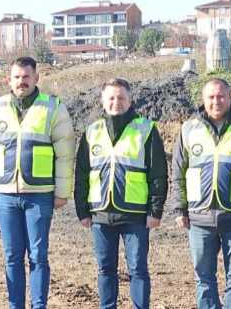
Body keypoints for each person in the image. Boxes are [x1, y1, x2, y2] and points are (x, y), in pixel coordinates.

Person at [0, 56, 76, 309]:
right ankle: (15, 305)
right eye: (17, 77)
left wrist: (62, 192)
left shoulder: (53, 107)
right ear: (8, 80)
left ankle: (38, 305)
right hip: (6, 195)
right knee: (11, 256)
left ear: (36, 78)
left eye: (26, 77)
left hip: (39, 195)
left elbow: (65, 153)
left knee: (38, 256)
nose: (22, 82)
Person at [171, 78, 231, 309]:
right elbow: (178, 173)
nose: (216, 101)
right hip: (199, 218)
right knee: (204, 280)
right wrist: (180, 208)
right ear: (203, 99)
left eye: (221, 96)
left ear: (230, 96)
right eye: (211, 97)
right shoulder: (188, 129)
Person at [74, 78, 167, 309]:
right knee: (105, 269)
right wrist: (82, 211)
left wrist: (155, 211)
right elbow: (82, 174)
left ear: (130, 100)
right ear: (103, 101)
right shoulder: (91, 131)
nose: (116, 102)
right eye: (112, 98)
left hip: (135, 215)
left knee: (138, 269)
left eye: (121, 97)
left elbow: (158, 175)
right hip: (101, 214)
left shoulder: (146, 129)